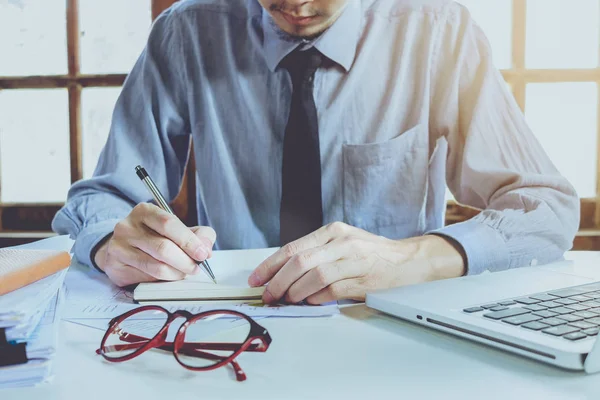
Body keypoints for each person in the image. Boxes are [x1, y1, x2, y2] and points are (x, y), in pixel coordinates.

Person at [52, 0, 580, 306]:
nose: (295, 3)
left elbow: (546, 209)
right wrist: (110, 244)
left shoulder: (437, 31)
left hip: (391, 328)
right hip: (229, 326)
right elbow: (103, 197)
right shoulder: (187, 31)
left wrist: (411, 257)